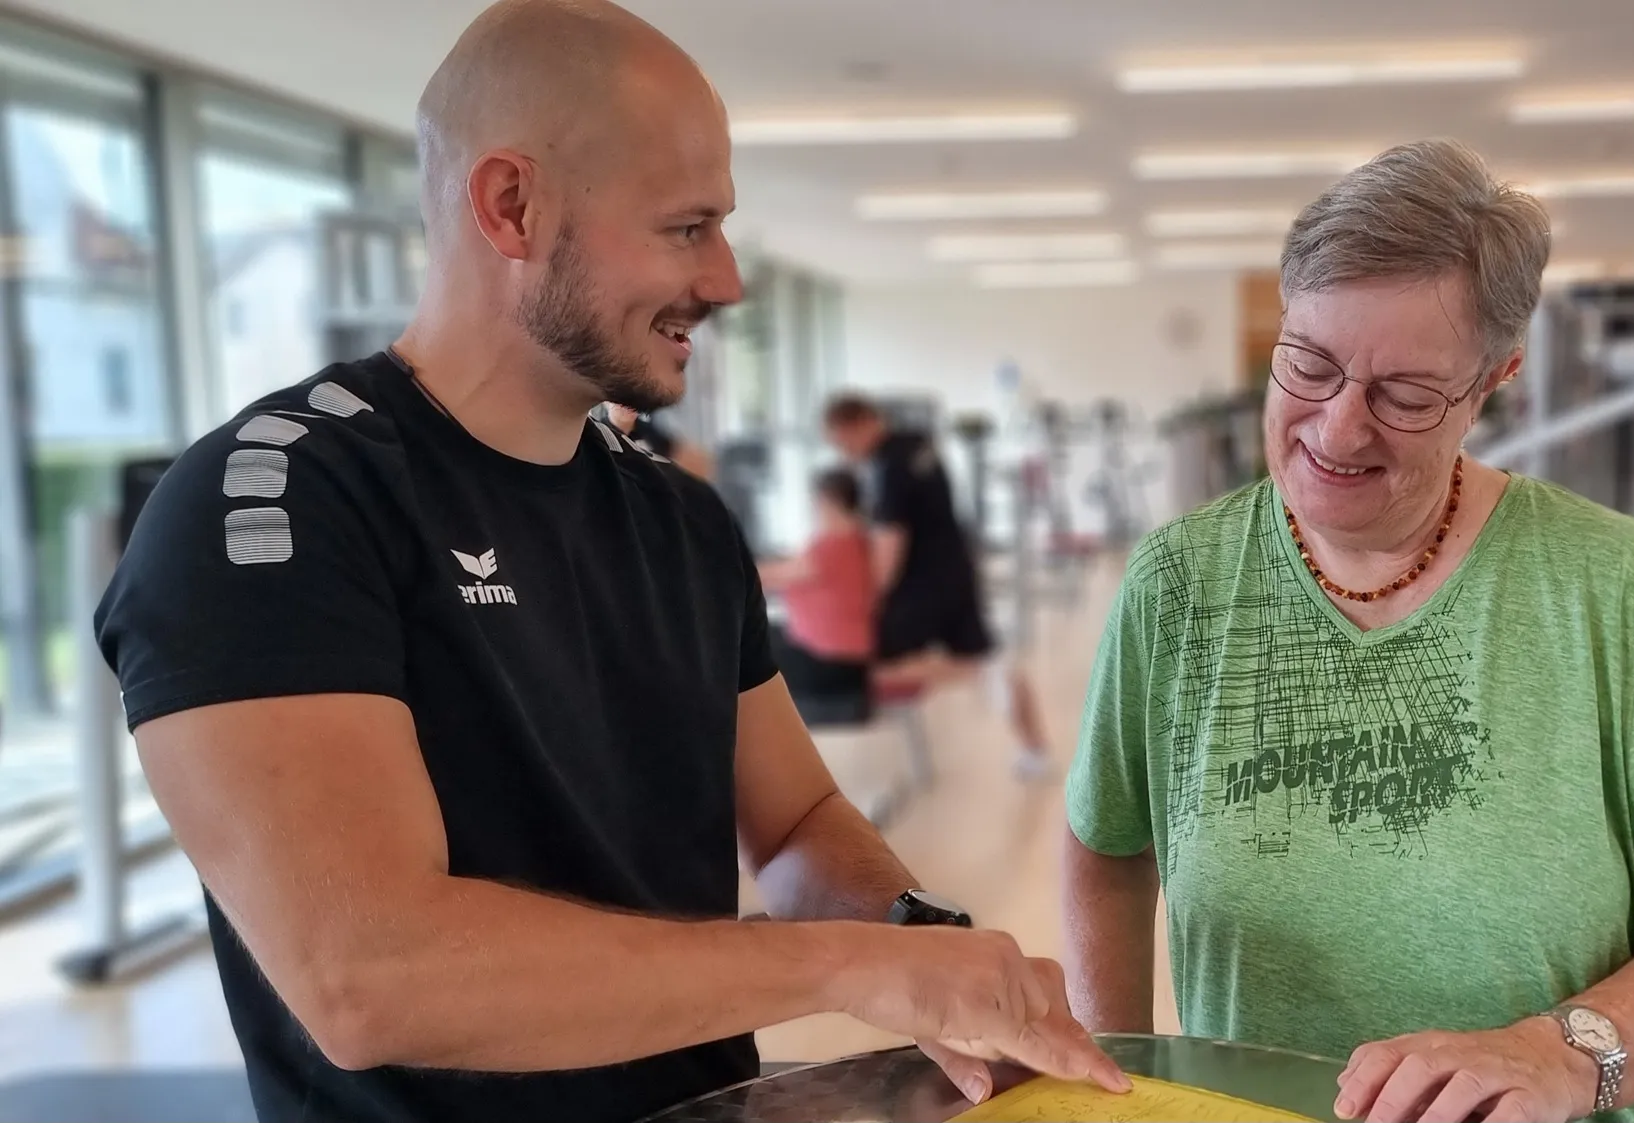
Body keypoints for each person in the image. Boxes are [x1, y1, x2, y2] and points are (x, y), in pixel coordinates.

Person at [91, 3, 1124, 1122]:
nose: (725, 280)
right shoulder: (275, 503)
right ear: (511, 205)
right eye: (687, 229)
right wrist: (845, 968)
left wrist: (925, 951)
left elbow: (791, 821)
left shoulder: (678, 519)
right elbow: (367, 975)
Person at [1061, 139, 1634, 1123]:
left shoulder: (1616, 586)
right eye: (1309, 366)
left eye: (1404, 394)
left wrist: (1555, 1054)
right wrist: (1112, 1093)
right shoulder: (1177, 583)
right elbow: (1106, 847)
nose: (1337, 429)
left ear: (1493, 379)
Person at [823, 394, 1053, 778]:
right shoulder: (918, 445)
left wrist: (872, 596)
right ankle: (1035, 749)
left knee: (865, 662)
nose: (846, 454)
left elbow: (890, 541)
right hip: (955, 572)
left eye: (843, 443)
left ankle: (973, 675)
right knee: (992, 659)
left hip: (922, 587)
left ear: (858, 424)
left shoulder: (887, 465)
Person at [759, 468, 876, 718]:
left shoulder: (833, 544)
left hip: (827, 661)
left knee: (749, 643)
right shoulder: (859, 539)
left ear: (828, 500)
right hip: (846, 661)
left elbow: (772, 576)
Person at [605, 400, 715, 480]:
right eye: (620, 400)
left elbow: (676, 452)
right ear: (606, 402)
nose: (628, 405)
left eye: (632, 398)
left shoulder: (648, 431)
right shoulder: (597, 434)